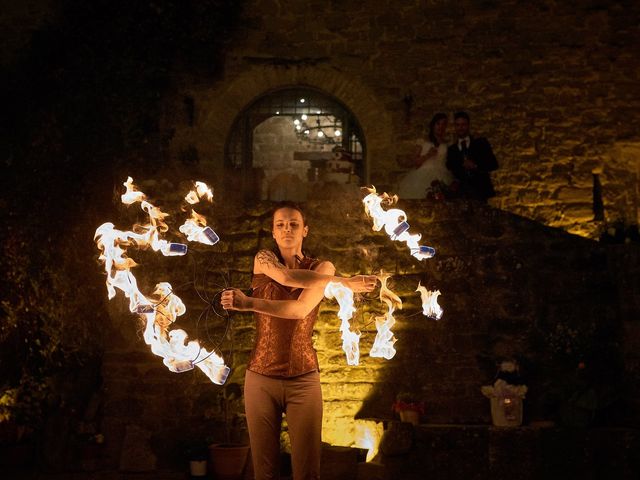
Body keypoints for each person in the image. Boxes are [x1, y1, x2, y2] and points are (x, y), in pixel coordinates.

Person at [221, 202, 377, 480]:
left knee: (307, 473)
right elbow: (285, 276)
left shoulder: (323, 267)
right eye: (280, 224)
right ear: (273, 231)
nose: (287, 229)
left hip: (303, 380)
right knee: (264, 473)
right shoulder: (264, 260)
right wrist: (346, 282)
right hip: (260, 379)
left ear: (305, 230)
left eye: (294, 223)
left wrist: (249, 303)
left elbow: (299, 310)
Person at [397, 112, 454, 199]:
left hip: (442, 176)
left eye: (443, 124)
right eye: (438, 124)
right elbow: (415, 162)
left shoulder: (446, 144)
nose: (440, 127)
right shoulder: (423, 142)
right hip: (423, 176)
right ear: (433, 125)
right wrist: (428, 155)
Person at [446, 111, 498, 201]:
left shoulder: (481, 143)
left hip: (480, 191)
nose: (460, 128)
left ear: (468, 125)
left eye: (463, 124)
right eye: (457, 125)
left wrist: (475, 165)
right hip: (460, 195)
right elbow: (451, 168)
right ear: (455, 127)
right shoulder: (451, 150)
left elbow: (493, 164)